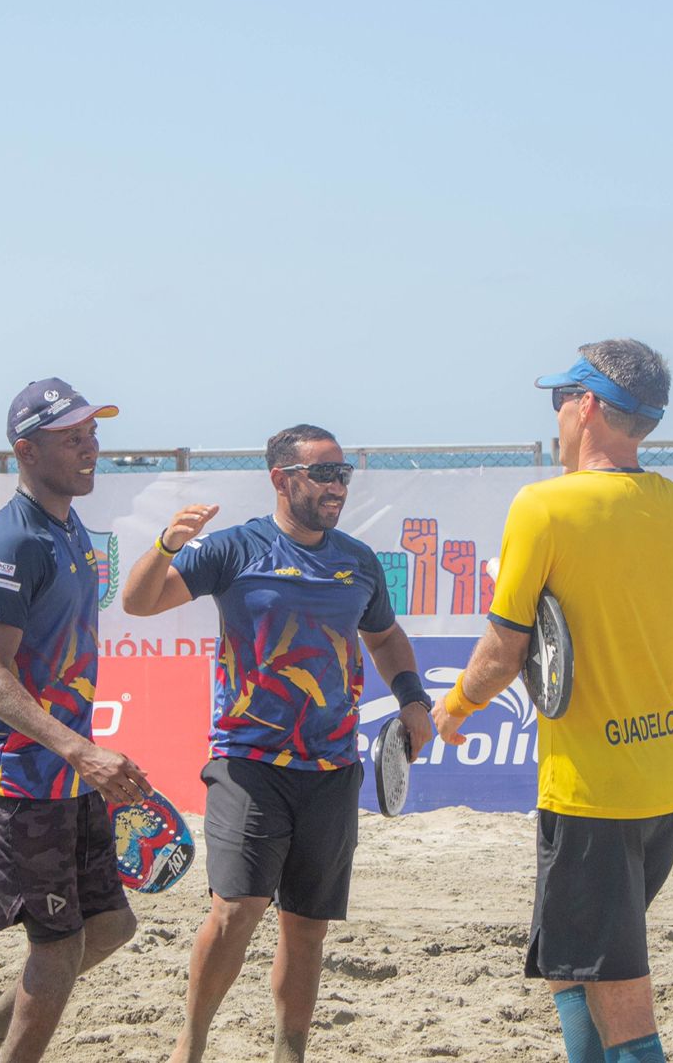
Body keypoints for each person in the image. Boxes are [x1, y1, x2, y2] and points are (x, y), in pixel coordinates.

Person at [432, 339, 673, 1063]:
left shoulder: (544, 506)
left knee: (620, 989)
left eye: (560, 400)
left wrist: (454, 708)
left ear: (587, 406)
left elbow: (502, 655)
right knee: (570, 963)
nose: (556, 416)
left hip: (595, 789)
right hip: (668, 775)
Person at [121, 423, 435, 1063]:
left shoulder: (356, 560)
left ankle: (289, 1051)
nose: (336, 486)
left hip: (332, 764)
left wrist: (413, 699)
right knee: (236, 909)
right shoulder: (235, 550)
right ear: (282, 477)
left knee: (308, 925)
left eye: (343, 474)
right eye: (323, 473)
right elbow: (138, 603)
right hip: (248, 761)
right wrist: (165, 546)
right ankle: (193, 1039)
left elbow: (385, 637)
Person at [0, 378, 150, 1063]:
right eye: (73, 437)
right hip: (17, 780)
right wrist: (78, 750)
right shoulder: (15, 541)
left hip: (63, 776)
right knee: (57, 949)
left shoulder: (68, 525)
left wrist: (83, 759)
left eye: (93, 433)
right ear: (26, 451)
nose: (92, 447)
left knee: (112, 926)